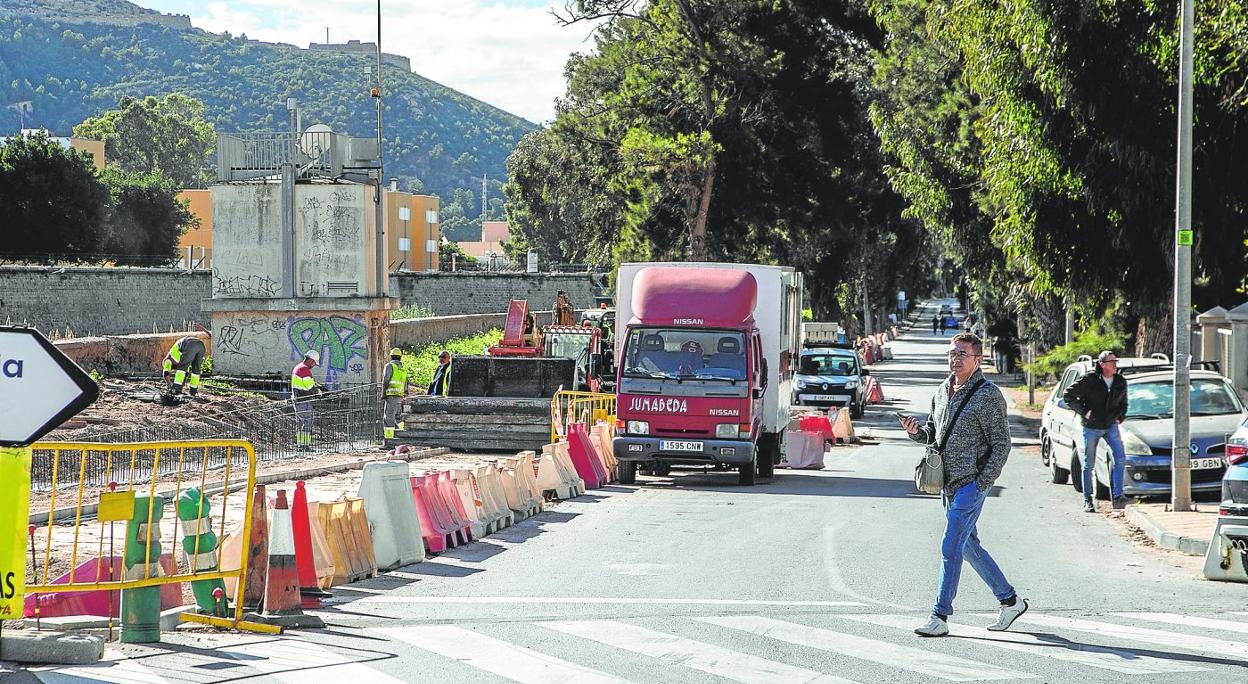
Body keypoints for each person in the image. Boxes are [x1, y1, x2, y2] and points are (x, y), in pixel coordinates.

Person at [900, 332, 1027, 637]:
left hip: (971, 485)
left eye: (962, 354)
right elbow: (935, 433)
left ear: (977, 359)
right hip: (946, 483)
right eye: (952, 354)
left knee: (950, 545)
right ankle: (1010, 601)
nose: (955, 359)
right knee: (967, 546)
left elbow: (1002, 445)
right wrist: (917, 432)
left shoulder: (988, 395)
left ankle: (940, 616)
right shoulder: (943, 390)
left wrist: (982, 482)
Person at [1061, 350, 1129, 512]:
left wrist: (1120, 416)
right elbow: (1068, 395)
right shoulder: (1090, 379)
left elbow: (1124, 402)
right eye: (1111, 362)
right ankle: (1088, 500)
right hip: (1091, 427)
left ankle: (1118, 496)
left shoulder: (1119, 381)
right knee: (1088, 464)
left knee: (1120, 458)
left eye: (1115, 362)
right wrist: (1084, 411)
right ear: (1102, 364)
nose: (1115, 365)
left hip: (1110, 425)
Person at [162, 326, 209, 401]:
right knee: (196, 370)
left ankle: (176, 389)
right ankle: (193, 390)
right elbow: (185, 374)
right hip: (201, 345)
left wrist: (170, 385)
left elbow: (165, 373)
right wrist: (182, 384)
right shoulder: (177, 356)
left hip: (190, 345)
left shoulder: (168, 360)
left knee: (181, 368)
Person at [291, 350, 322, 451]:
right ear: (311, 360)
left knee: (300, 423)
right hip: (303, 400)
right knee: (307, 422)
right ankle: (306, 445)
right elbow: (309, 386)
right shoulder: (304, 369)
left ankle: (301, 445)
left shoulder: (298, 367)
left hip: (298, 399)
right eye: (314, 363)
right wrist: (318, 392)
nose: (314, 365)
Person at [380, 348, 410, 440]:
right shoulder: (403, 369)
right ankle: (401, 438)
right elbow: (405, 384)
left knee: (388, 418)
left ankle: (389, 440)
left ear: (391, 356)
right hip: (400, 396)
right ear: (400, 357)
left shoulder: (390, 366)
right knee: (398, 418)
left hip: (391, 395)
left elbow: (386, 380)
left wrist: (383, 393)